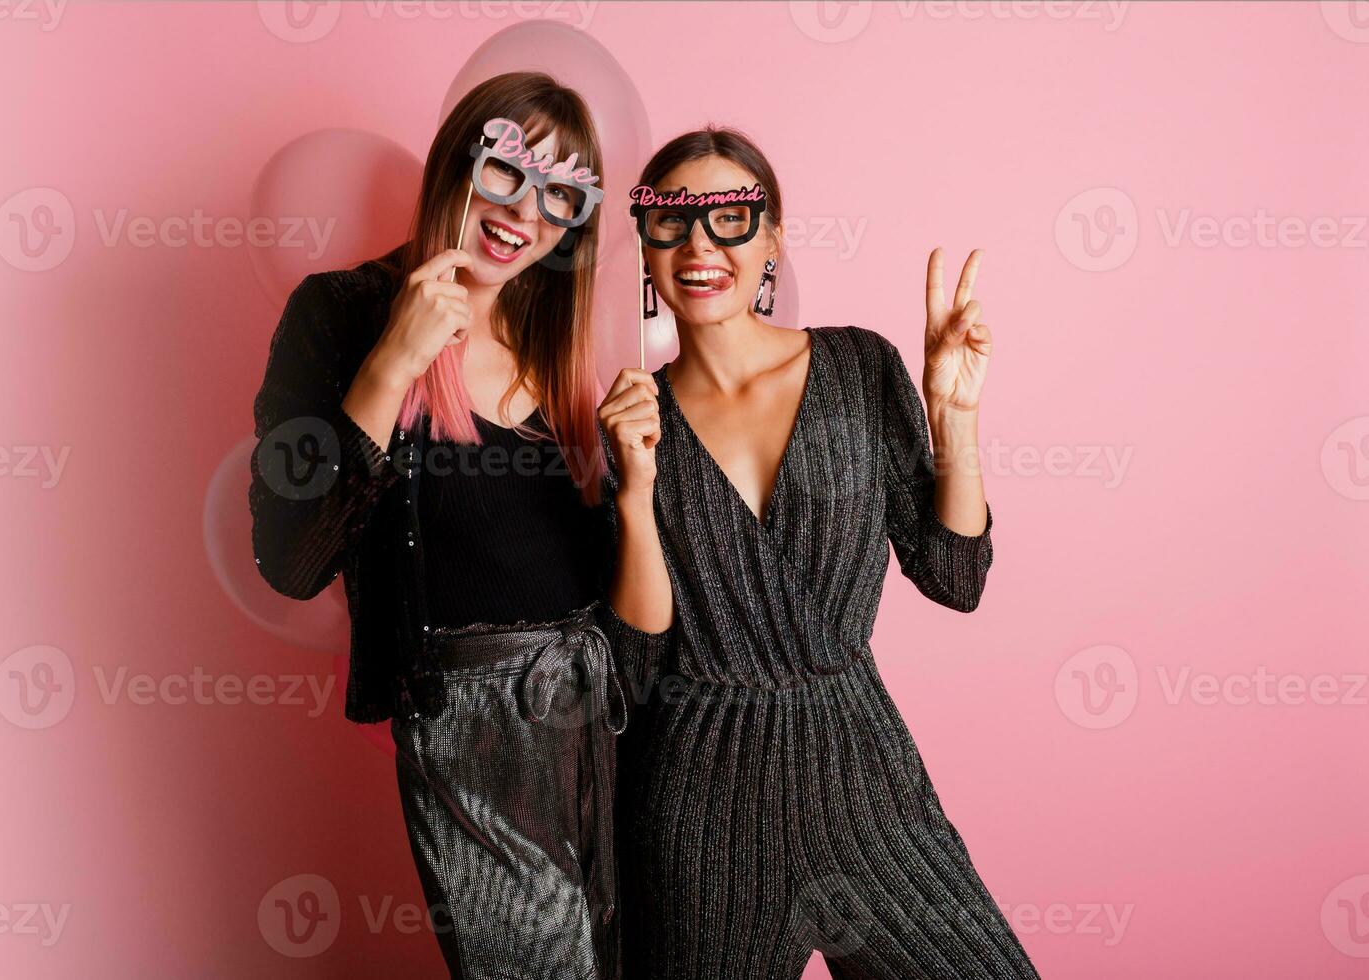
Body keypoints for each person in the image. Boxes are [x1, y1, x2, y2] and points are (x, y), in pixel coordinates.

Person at [596, 125, 1043, 979]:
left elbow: (953, 577)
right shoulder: (631, 415)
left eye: (731, 217)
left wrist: (954, 415)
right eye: (671, 221)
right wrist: (632, 490)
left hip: (859, 773)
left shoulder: (857, 365)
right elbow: (638, 663)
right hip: (698, 803)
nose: (700, 244)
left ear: (773, 240)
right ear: (645, 245)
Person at [250, 71, 625, 980]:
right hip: (472, 733)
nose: (524, 212)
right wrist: (393, 363)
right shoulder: (337, 313)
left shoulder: (554, 348)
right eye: (506, 172)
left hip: (603, 721)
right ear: (459, 158)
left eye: (560, 197)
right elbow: (291, 562)